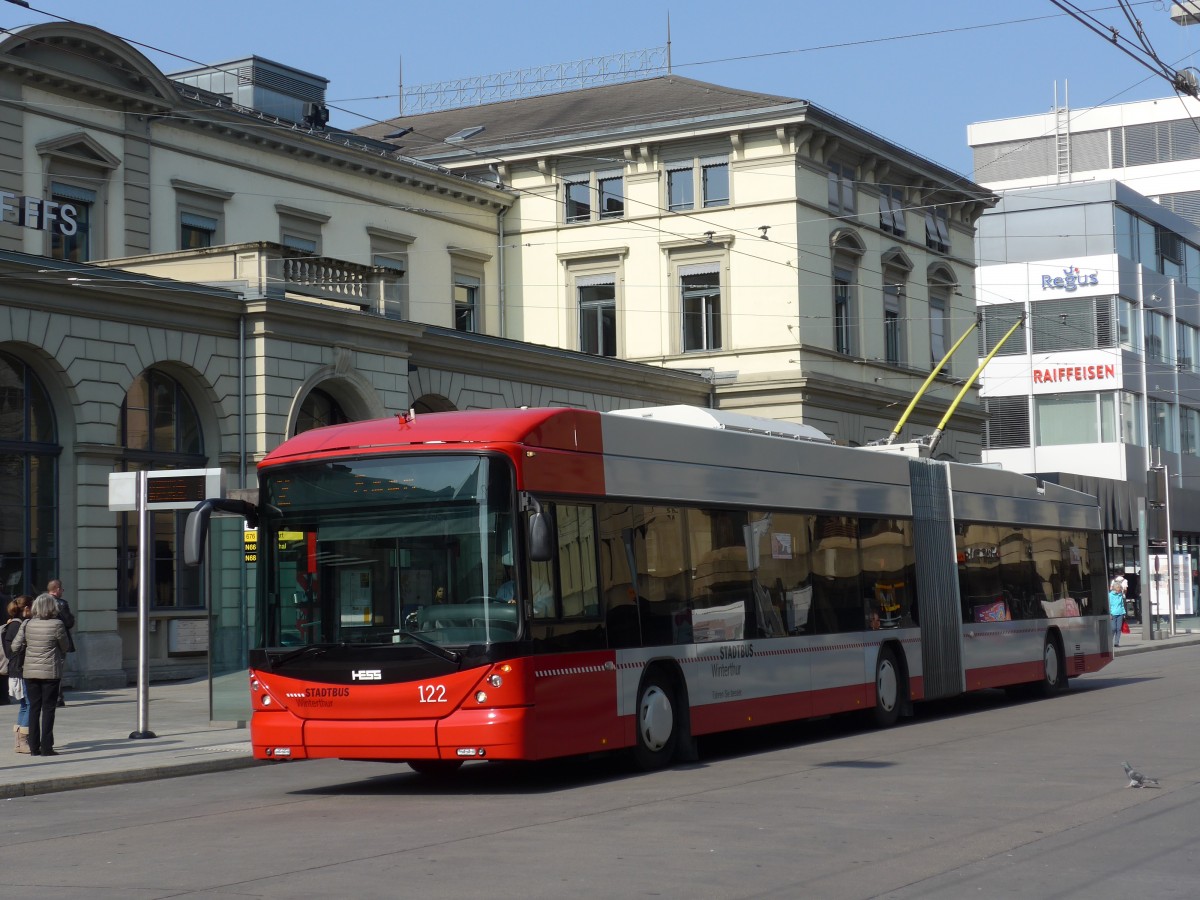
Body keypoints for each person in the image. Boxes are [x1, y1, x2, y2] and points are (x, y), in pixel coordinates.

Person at [11, 592, 68, 757]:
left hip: (30, 672)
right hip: (51, 673)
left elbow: (15, 647)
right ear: (52, 607)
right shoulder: (57, 624)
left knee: (34, 708)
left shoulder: (27, 624)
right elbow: (64, 646)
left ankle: (34, 747)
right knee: (49, 709)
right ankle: (47, 747)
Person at [3, 596, 32, 753]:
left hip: (14, 670)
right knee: (30, 704)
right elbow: (17, 650)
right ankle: (23, 740)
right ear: (26, 608)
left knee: (23, 705)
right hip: (21, 670)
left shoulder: (11, 624)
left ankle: (18, 742)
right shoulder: (19, 626)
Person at [47, 579, 74, 707]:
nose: (62, 591)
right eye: (62, 589)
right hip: (58, 641)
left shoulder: (39, 602)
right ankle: (57, 697)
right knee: (57, 670)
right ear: (57, 589)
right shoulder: (62, 604)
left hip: (43, 641)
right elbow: (69, 622)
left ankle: (47, 697)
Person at [1109, 580, 1127, 648]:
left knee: (1118, 629)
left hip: (1120, 613)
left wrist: (1124, 613)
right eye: (1119, 589)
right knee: (1113, 628)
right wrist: (1109, 614)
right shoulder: (1110, 595)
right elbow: (1109, 605)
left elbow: (1122, 605)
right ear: (1116, 588)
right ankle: (1109, 641)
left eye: (1120, 589)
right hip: (1113, 614)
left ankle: (1116, 642)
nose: (1120, 590)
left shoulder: (1120, 595)